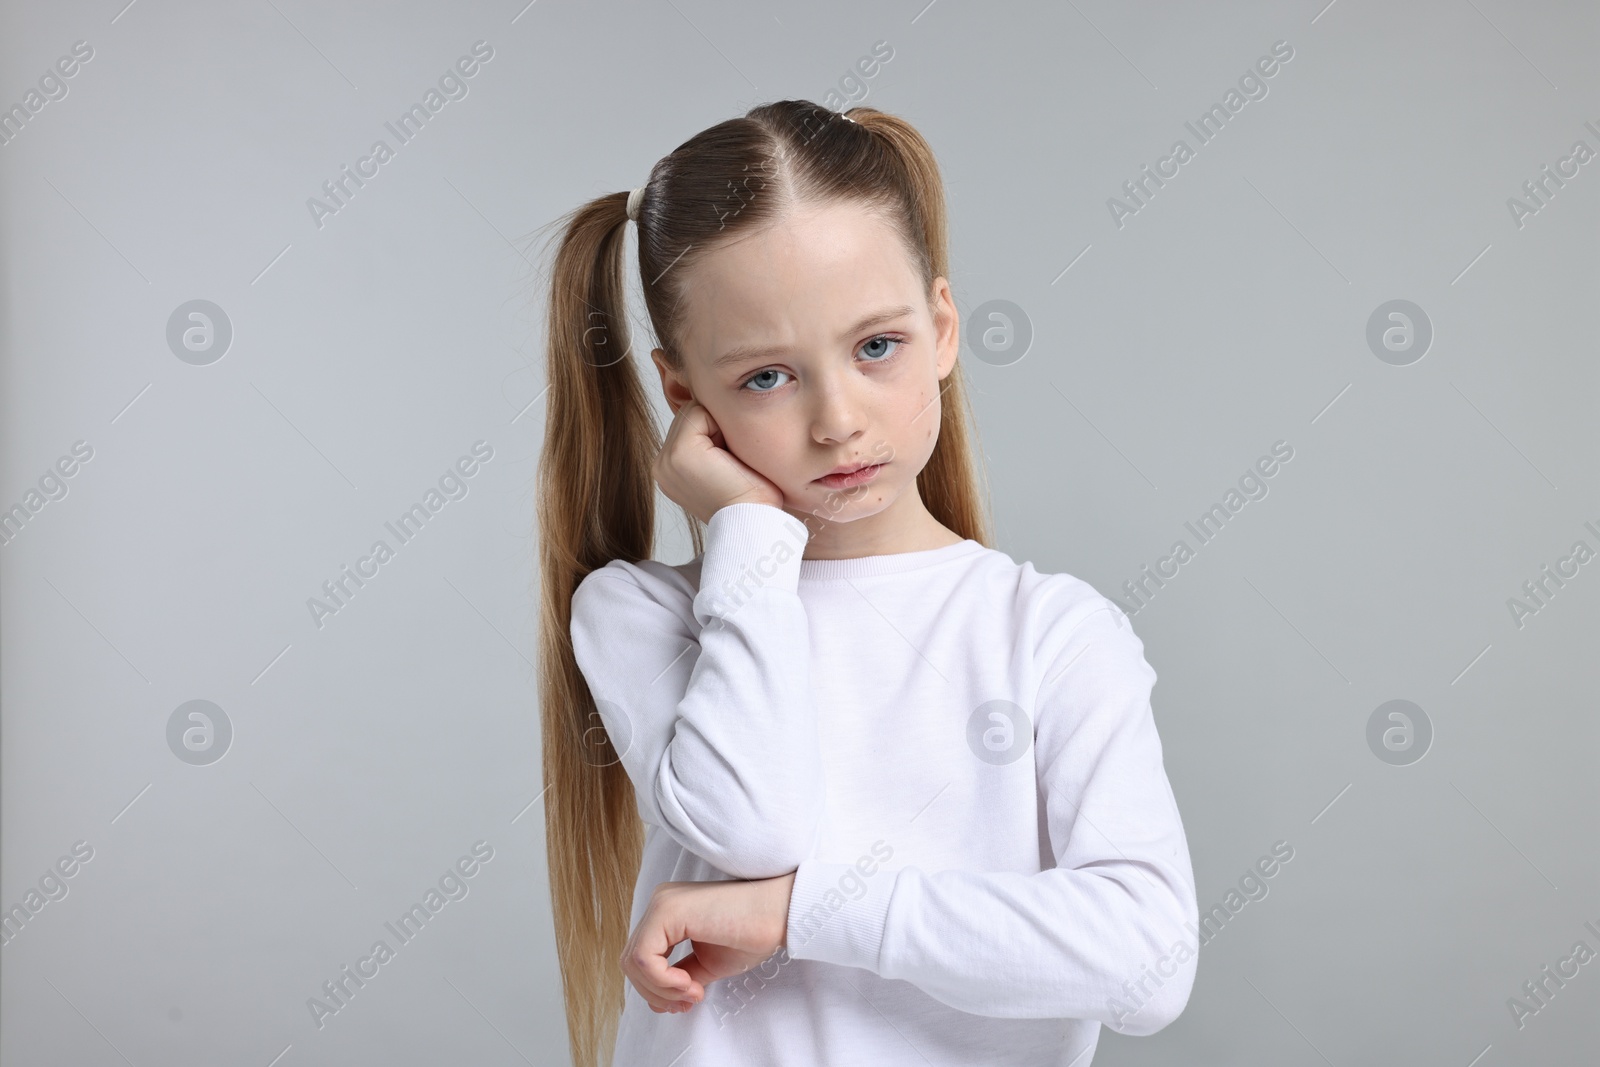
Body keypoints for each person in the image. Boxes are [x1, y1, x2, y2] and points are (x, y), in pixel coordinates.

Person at [534, 99, 1197, 1067]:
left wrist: (806, 914)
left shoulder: (1051, 633)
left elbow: (1148, 958)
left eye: (875, 346)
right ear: (685, 396)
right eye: (766, 376)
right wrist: (747, 530)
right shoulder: (642, 615)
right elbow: (753, 825)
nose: (837, 420)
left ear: (940, 329)